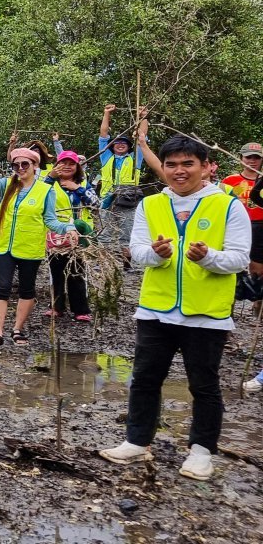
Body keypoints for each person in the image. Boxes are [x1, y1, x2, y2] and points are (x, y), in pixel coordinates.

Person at [99, 135, 250, 481]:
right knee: (145, 379)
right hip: (156, 309)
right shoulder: (150, 205)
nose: (179, 171)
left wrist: (209, 257)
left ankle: (201, 451)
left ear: (205, 167)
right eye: (171, 164)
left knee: (205, 385)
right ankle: (137, 441)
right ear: (163, 167)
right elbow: (137, 251)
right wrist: (158, 254)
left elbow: (240, 257)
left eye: (187, 164)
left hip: (206, 314)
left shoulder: (227, 205)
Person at [0, 146, 77, 350]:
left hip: (30, 247)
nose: (20, 168)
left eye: (24, 164)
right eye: (16, 165)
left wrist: (68, 227)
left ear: (35, 166)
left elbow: (50, 220)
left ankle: (17, 329)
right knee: (2, 287)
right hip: (4, 247)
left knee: (27, 289)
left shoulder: (46, 190)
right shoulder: (7, 184)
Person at [43, 150, 99, 321]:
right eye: (63, 163)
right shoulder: (49, 183)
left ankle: (81, 309)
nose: (67, 166)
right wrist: (51, 178)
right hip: (56, 235)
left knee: (77, 272)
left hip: (78, 236)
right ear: (56, 165)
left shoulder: (83, 183)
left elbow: (96, 204)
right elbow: (38, 195)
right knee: (56, 272)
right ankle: (56, 306)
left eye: (71, 164)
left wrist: (79, 189)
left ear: (77, 167)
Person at [97, 104, 145, 260]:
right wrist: (106, 114)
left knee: (127, 234)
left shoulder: (135, 157)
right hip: (106, 199)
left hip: (128, 199)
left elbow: (142, 135)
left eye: (124, 142)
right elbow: (104, 133)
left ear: (129, 146)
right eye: (117, 142)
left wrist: (143, 116)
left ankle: (127, 263)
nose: (120, 144)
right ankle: (103, 264)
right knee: (104, 234)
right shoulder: (106, 157)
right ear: (112, 146)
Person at [222, 142, 263, 305]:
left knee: (258, 271)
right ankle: (227, 307)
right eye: (248, 157)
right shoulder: (230, 181)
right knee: (232, 269)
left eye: (256, 158)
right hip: (235, 228)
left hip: (259, 228)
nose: (252, 161)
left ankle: (257, 309)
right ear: (241, 159)